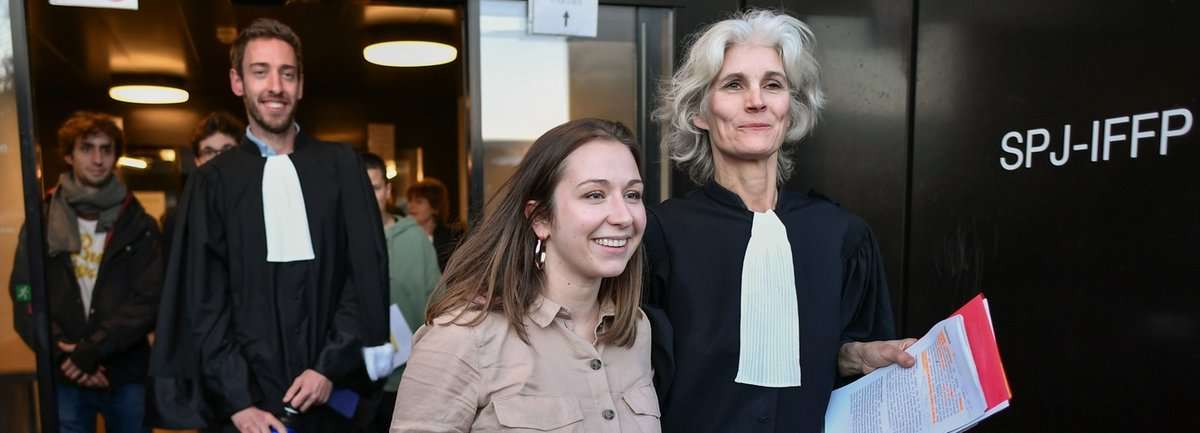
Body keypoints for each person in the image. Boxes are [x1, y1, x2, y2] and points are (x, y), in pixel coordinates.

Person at [644, 10, 917, 433]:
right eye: (734, 85)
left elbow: (837, 365)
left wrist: (858, 357)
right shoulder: (660, 235)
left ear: (790, 110)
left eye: (773, 84)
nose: (757, 100)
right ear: (699, 112)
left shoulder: (841, 236)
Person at [148, 18, 391, 433]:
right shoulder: (212, 182)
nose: (275, 86)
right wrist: (239, 402)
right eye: (260, 72)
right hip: (245, 414)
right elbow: (205, 301)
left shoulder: (342, 168)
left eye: (287, 73)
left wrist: (327, 369)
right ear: (237, 82)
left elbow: (364, 277)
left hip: (330, 400)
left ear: (300, 85)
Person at [389, 119, 660, 433]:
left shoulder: (636, 330)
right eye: (594, 195)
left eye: (633, 195)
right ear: (541, 218)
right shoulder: (463, 338)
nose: (624, 216)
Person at [9, 111, 164, 433]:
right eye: (87, 148)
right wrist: (62, 354)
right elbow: (24, 293)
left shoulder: (139, 224)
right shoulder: (41, 221)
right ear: (68, 155)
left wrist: (92, 350)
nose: (98, 159)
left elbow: (150, 299)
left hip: (125, 374)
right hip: (65, 374)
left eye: (106, 149)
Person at [359, 152, 440, 433]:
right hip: (353, 380)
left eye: (376, 187)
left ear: (388, 190)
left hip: (409, 376)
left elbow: (436, 303)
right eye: (360, 187)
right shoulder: (337, 240)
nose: (368, 196)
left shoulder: (415, 239)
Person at [161, 111, 245, 255]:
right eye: (209, 152)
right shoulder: (179, 218)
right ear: (197, 161)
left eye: (227, 150)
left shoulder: (262, 207)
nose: (218, 159)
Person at [405, 178, 461, 271]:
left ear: (435, 207)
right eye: (410, 201)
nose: (411, 206)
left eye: (419, 202)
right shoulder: (403, 236)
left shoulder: (452, 238)